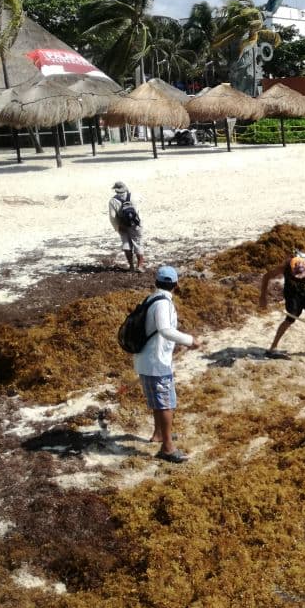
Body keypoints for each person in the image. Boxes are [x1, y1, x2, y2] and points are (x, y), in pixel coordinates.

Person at [134, 266, 200, 463]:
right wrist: (190, 340)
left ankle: (159, 434)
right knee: (166, 404)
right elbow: (165, 329)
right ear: (176, 284)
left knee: (158, 400)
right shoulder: (163, 303)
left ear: (156, 282)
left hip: (146, 359)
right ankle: (168, 448)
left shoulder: (151, 299)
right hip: (156, 362)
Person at [260, 252, 305, 364]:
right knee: (289, 319)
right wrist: (262, 297)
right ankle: (272, 349)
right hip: (292, 294)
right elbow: (266, 276)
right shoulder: (285, 267)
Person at [108, 180, 144, 272]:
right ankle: (140, 266)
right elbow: (142, 201)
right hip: (136, 224)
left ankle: (131, 266)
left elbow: (112, 216)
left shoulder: (113, 201)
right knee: (138, 243)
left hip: (123, 225)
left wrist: (117, 227)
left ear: (115, 190)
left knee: (126, 244)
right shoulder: (134, 196)